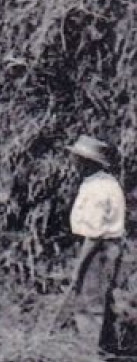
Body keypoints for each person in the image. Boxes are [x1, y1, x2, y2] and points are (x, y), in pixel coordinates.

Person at [60, 134, 126, 350]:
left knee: (89, 304)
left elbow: (94, 234)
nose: (73, 162)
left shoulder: (97, 189)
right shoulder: (104, 183)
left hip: (99, 249)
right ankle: (106, 348)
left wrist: (79, 267)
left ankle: (88, 354)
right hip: (105, 246)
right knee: (100, 301)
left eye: (77, 158)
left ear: (87, 162)